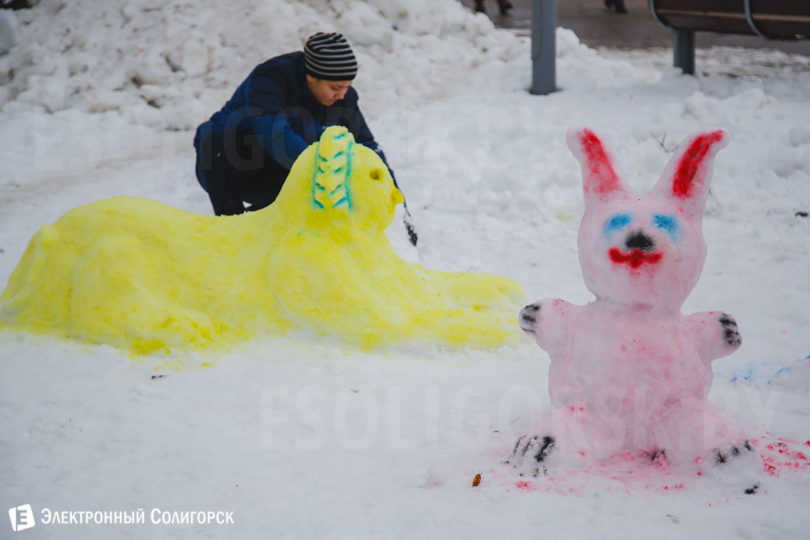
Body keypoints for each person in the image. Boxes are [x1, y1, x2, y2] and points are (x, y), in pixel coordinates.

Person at [193, 32, 417, 244]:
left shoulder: (343, 99)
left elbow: (368, 149)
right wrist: (320, 172)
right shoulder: (271, 77)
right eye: (335, 87)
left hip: (284, 168)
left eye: (347, 87)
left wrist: (398, 210)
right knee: (215, 139)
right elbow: (273, 131)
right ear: (311, 76)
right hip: (234, 167)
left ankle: (265, 221)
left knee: (342, 160)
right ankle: (233, 232)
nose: (341, 95)